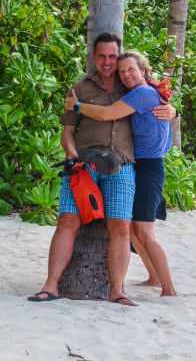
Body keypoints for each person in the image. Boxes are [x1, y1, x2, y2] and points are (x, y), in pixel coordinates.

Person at [28, 33, 175, 306]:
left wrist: (174, 111)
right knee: (67, 221)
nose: (108, 62)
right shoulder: (79, 89)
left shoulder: (130, 86)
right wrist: (74, 158)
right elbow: (67, 133)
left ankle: (117, 290)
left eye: (112, 57)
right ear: (93, 58)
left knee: (120, 226)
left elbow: (158, 99)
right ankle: (50, 285)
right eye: (101, 56)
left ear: (118, 57)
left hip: (122, 164)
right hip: (84, 162)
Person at [65, 50, 177, 297]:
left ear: (143, 71)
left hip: (149, 167)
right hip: (144, 164)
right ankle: (154, 277)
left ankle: (169, 288)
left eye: (131, 70)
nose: (126, 75)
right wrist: (173, 112)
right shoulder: (148, 93)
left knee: (145, 233)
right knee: (136, 231)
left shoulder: (144, 93)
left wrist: (78, 106)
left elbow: (106, 114)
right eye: (122, 71)